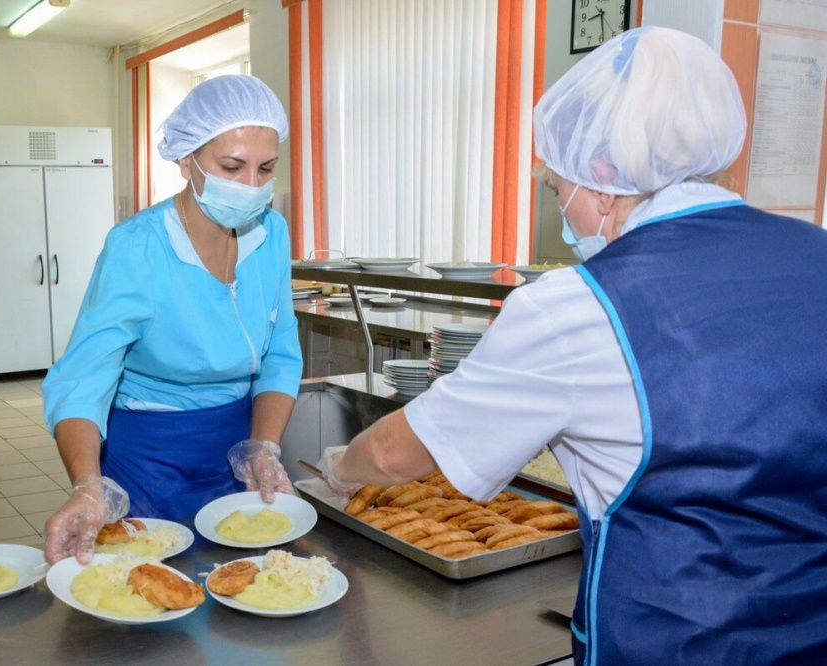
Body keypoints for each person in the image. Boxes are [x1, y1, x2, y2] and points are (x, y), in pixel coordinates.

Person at [318, 27, 827, 663]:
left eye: (560, 188)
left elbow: (398, 457)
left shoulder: (579, 304)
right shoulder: (816, 252)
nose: (563, 210)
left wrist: (337, 471)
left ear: (606, 177)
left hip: (668, 642)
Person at [42, 75, 303, 564]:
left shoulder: (272, 234)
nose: (251, 185)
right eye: (232, 166)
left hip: (236, 447)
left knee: (239, 591)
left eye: (266, 168)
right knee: (152, 593)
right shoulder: (137, 247)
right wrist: (86, 484)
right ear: (188, 160)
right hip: (148, 458)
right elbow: (83, 379)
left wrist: (263, 446)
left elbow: (281, 351)